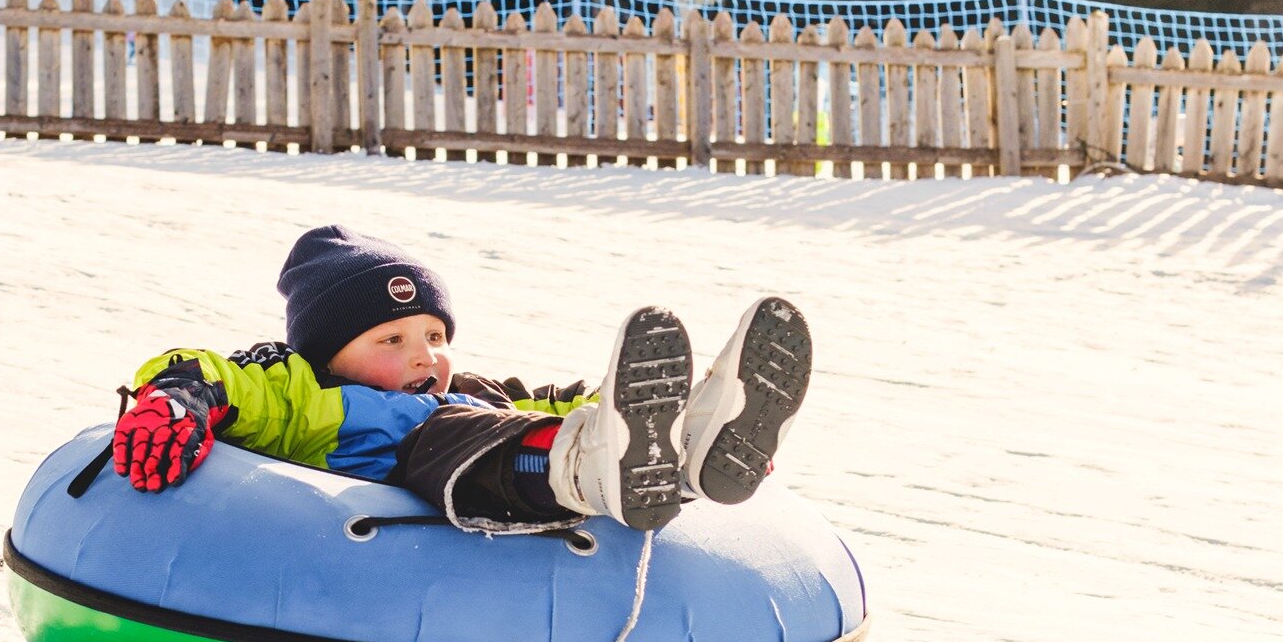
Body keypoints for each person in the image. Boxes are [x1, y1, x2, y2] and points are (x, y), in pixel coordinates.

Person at [111, 225, 811, 535]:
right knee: (451, 434)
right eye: (391, 339)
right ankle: (596, 466)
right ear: (329, 354)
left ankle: (689, 449)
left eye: (435, 336)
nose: (424, 355)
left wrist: (627, 405)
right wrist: (176, 402)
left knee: (509, 412)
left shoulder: (465, 390)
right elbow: (211, 373)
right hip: (435, 473)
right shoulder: (301, 394)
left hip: (507, 442)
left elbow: (551, 399)